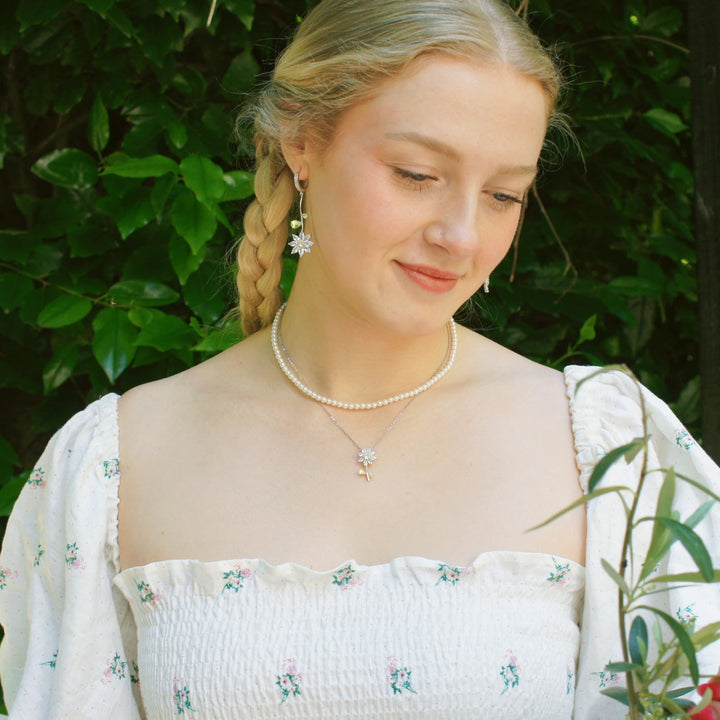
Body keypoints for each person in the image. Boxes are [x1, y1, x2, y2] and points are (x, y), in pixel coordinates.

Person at [0, 0, 718, 718]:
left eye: (504, 195)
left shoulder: (613, 452)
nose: (463, 236)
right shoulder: (116, 463)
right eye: (416, 173)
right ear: (301, 143)